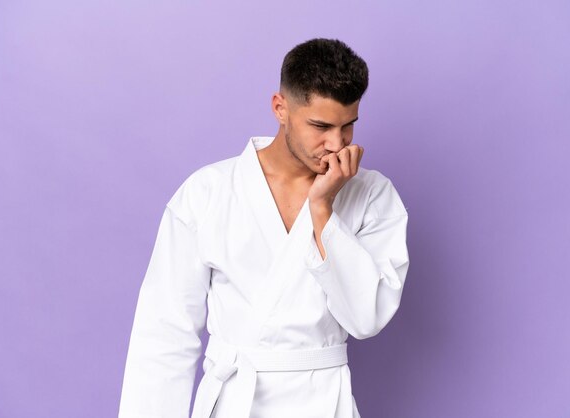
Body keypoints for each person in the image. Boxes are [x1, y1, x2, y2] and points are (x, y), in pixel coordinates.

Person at [118, 38, 410, 418]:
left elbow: (366, 318)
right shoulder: (207, 193)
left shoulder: (373, 195)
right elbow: (164, 334)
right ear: (280, 108)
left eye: (348, 126)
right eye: (320, 126)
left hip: (325, 402)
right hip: (237, 401)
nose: (336, 144)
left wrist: (322, 210)